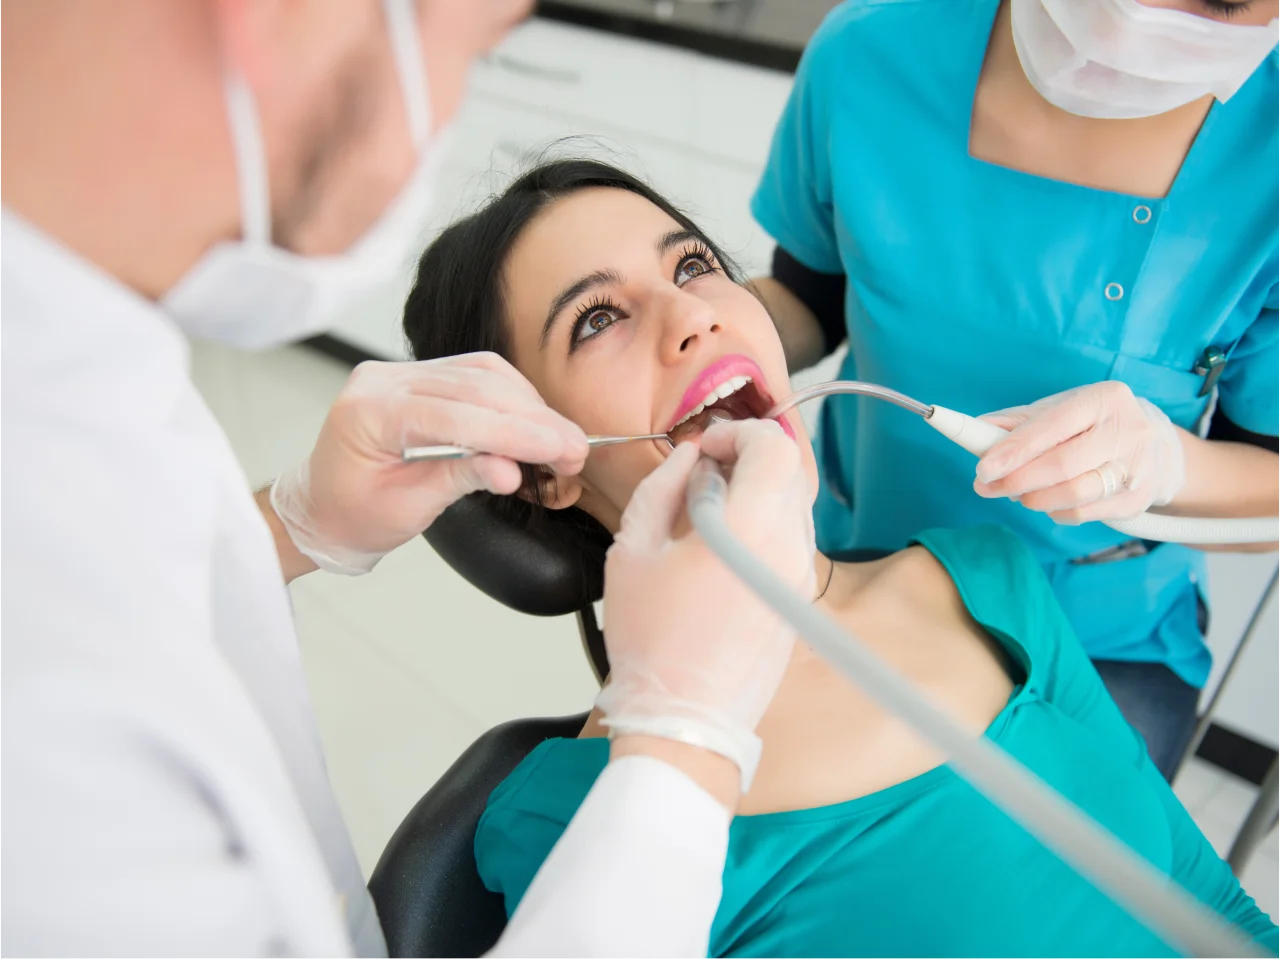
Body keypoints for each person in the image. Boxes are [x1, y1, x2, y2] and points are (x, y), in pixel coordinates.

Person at [0, 2, 816, 955]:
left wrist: (283, 530)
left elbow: (115, 580)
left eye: (696, 266)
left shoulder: (77, 375)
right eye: (473, 49)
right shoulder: (53, 764)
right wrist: (683, 740)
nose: (695, 318)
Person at [399, 158, 1278, 957]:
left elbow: (1208, 905)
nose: (693, 316)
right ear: (546, 471)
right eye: (596, 319)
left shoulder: (986, 581)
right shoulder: (568, 817)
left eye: (694, 266)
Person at [748, 0, 1280, 781]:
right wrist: (685, 332)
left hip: (1095, 632)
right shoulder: (870, 49)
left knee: (1027, 883)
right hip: (850, 566)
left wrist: (1167, 467)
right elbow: (808, 305)